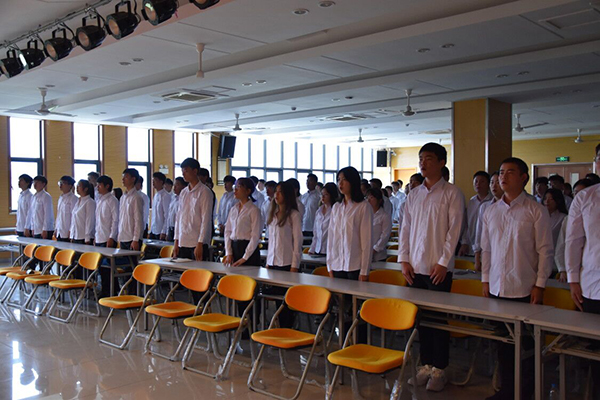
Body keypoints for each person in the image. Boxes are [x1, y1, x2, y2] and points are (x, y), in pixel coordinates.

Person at [481, 157, 553, 400]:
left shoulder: (536, 210)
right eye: (501, 172)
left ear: (523, 177)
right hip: (497, 288)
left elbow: (545, 250)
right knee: (503, 344)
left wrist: (540, 284)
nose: (503, 176)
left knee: (527, 347)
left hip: (525, 287)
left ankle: (525, 392)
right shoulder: (491, 211)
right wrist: (485, 280)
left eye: (510, 172)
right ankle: (507, 391)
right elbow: (487, 248)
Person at [400, 143, 464, 392]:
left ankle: (440, 368)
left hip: (438, 269)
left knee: (438, 321)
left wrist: (443, 262)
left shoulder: (451, 193)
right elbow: (405, 229)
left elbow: (454, 231)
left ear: (441, 162)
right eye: (420, 158)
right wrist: (404, 260)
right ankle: (425, 365)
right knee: (421, 319)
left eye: (428, 158)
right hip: (415, 267)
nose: (422, 163)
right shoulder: (414, 194)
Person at [566, 165, 600, 399]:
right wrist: (573, 280)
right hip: (593, 286)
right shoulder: (586, 197)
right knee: (596, 354)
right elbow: (573, 240)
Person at [265, 181, 303, 328]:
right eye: (276, 191)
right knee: (277, 300)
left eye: (280, 192)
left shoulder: (293, 215)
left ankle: (287, 327)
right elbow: (272, 242)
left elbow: (297, 241)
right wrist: (268, 262)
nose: (276, 195)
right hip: (274, 263)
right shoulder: (273, 215)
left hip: (287, 263)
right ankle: (281, 327)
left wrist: (295, 265)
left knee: (287, 301)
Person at [327, 166, 373, 281]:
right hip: (337, 264)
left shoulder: (363, 206)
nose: (340, 183)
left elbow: (366, 241)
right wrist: (329, 264)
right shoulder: (336, 207)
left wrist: (364, 270)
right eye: (338, 180)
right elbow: (331, 238)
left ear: (353, 181)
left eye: (344, 179)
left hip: (355, 265)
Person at [554, 178, 594, 282]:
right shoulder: (568, 219)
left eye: (582, 193)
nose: (579, 197)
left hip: (592, 268)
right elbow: (561, 245)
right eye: (576, 193)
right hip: (572, 270)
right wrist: (563, 269)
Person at [173, 159, 213, 261]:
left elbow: (206, 219)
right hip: (183, 241)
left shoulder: (205, 192)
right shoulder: (183, 192)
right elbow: (178, 218)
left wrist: (200, 242)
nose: (183, 174)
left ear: (195, 171)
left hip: (197, 242)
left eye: (186, 171)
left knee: (198, 270)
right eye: (182, 171)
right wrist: (176, 241)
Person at [222, 177, 262, 268]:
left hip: (248, 250)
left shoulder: (254, 210)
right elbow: (227, 231)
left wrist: (245, 257)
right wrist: (229, 252)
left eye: (239, 187)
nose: (235, 190)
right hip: (234, 248)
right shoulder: (233, 209)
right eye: (235, 187)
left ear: (248, 191)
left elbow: (255, 236)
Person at [473, 172, 503, 271]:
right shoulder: (485, 206)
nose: (494, 186)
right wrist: (477, 258)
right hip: (488, 253)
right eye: (492, 182)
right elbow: (479, 233)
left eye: (498, 182)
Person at [459, 171, 492, 256]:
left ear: (488, 184)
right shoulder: (471, 201)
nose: (478, 184)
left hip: (487, 246)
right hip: (470, 245)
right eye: (476, 181)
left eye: (482, 181)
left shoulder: (492, 202)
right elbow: (466, 224)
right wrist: (464, 242)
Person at [118, 169, 144, 251]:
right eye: (123, 177)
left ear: (133, 179)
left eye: (125, 177)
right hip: (123, 237)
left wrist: (135, 239)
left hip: (132, 238)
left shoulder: (136, 197)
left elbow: (138, 219)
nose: (123, 179)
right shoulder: (123, 197)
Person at [309, 182, 338, 255]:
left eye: (326, 195)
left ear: (331, 196)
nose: (323, 197)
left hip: (330, 250)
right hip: (317, 250)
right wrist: (312, 249)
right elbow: (315, 233)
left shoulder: (335, 211)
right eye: (321, 194)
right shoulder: (318, 211)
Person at [366, 188, 392, 262]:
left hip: (378, 256)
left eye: (371, 198)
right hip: (365, 254)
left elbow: (385, 236)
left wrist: (374, 250)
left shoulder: (384, 216)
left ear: (379, 200)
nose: (368, 200)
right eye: (367, 197)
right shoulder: (365, 215)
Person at [95, 175, 119, 249]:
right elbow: (97, 221)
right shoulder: (99, 200)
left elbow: (115, 220)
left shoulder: (112, 200)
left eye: (99, 185)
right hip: (99, 237)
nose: (97, 187)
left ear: (107, 186)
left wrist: (112, 237)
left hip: (107, 238)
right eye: (97, 185)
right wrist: (96, 236)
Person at [70, 180, 96, 245]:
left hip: (84, 238)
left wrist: (87, 237)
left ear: (86, 189)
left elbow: (89, 221)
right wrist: (72, 234)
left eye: (79, 186)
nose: (77, 188)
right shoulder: (78, 201)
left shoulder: (90, 202)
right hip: (76, 236)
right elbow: (74, 219)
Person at [543, 188, 568, 253]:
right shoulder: (540, 216)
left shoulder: (563, 218)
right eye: (545, 198)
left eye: (551, 199)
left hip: (556, 252)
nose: (547, 201)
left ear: (558, 201)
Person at [54, 176, 78, 242]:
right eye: (60, 183)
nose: (61, 185)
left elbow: (74, 217)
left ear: (70, 186)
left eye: (63, 183)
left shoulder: (73, 198)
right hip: (59, 231)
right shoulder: (61, 198)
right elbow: (58, 215)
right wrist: (56, 228)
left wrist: (71, 230)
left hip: (67, 232)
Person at [149, 172, 171, 240]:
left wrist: (164, 231)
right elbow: (154, 215)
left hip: (161, 231)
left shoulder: (166, 196)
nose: (153, 182)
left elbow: (167, 215)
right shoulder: (156, 195)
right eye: (152, 180)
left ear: (161, 182)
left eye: (155, 180)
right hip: (154, 230)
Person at [166, 177, 187, 242]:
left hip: (179, 230)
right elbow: (169, 216)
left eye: (177, 185)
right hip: (171, 229)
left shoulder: (185, 199)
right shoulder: (173, 198)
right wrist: (167, 231)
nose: (174, 187)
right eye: (174, 185)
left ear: (184, 186)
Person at [199, 168, 217, 232]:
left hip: (205, 224)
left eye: (199, 176)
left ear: (205, 177)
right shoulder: (197, 191)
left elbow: (207, 213)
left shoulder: (208, 192)